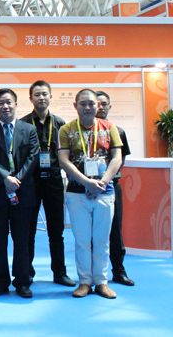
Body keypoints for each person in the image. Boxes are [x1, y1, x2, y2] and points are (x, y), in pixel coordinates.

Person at [58, 89, 123, 299]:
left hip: (105, 192)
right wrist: (86, 182)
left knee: (102, 240)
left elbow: (117, 158)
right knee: (82, 240)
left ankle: (101, 282)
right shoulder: (66, 130)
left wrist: (103, 182)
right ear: (75, 105)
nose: (87, 108)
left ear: (98, 106)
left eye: (91, 104)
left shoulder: (110, 128)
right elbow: (63, 160)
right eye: (83, 104)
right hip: (77, 192)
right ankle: (85, 281)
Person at [0, 88, 39, 299]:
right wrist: (5, 178)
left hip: (23, 193)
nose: (5, 106)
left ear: (15, 104)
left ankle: (22, 281)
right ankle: (1, 281)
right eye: (1, 103)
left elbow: (33, 157)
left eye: (9, 102)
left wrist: (16, 181)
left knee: (22, 239)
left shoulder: (29, 129)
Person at [19, 80, 75, 287]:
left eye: (44, 94)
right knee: (28, 230)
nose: (41, 98)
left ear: (51, 96)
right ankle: (27, 272)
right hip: (30, 181)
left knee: (56, 230)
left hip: (53, 180)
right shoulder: (23, 124)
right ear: (30, 98)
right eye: (37, 94)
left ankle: (59, 273)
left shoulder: (61, 124)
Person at [94, 90, 135, 287]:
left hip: (111, 186)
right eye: (97, 103)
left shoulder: (118, 131)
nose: (100, 107)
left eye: (104, 104)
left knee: (115, 230)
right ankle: (92, 273)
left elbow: (121, 160)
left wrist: (106, 178)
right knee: (91, 232)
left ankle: (119, 270)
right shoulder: (82, 131)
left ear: (110, 107)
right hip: (88, 186)